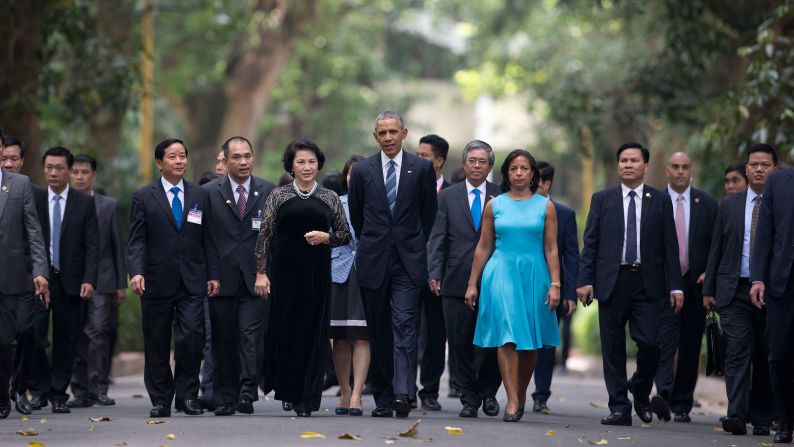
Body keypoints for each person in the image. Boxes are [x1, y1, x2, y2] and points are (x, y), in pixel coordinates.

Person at [577, 143, 683, 427]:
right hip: (612, 281)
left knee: (651, 343)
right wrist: (585, 280)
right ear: (618, 165)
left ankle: (639, 386)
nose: (628, 165)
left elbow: (669, 246)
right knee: (612, 348)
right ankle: (619, 409)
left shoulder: (659, 200)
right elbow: (591, 243)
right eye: (623, 160)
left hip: (648, 283)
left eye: (634, 160)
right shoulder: (603, 199)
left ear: (645, 166)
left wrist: (676, 286)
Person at [347, 111, 437, 418]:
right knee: (379, 330)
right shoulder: (361, 171)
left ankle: (402, 393)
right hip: (373, 260)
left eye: (393, 132)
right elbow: (358, 218)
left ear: (404, 133)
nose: (388, 137)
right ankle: (383, 398)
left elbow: (428, 214)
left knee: (404, 325)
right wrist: (375, 242)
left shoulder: (422, 168)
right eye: (382, 133)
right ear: (375, 136)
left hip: (408, 262)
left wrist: (411, 243)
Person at [254, 139, 349, 417]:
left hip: (316, 273)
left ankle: (307, 396)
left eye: (311, 162)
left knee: (313, 332)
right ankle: (288, 388)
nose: (307, 167)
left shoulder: (329, 197)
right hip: (284, 272)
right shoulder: (278, 196)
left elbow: (345, 235)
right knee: (286, 329)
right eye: (300, 162)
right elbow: (264, 236)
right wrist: (261, 272)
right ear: (291, 166)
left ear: (318, 164)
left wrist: (326, 237)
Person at [464, 149, 561, 422]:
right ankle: (512, 398)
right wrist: (472, 283)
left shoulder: (545, 206)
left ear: (532, 174)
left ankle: (519, 391)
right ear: (506, 173)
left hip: (534, 274)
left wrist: (555, 284)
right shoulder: (495, 205)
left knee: (529, 343)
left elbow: (552, 248)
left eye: (524, 168)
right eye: (513, 168)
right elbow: (483, 246)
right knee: (507, 333)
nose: (519, 173)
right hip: (501, 272)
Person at [127, 138, 220, 418]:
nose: (179, 161)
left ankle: (188, 396)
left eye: (182, 156)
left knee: (191, 338)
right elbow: (136, 240)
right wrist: (136, 271)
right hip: (156, 280)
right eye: (172, 157)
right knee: (156, 341)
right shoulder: (144, 196)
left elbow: (209, 238)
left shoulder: (199, 195)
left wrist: (213, 274)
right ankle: (160, 399)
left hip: (192, 279)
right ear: (159, 163)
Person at [704, 144, 777, 436]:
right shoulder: (728, 205)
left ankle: (761, 417)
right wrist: (709, 288)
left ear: (774, 170)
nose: (759, 169)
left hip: (773, 292)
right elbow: (716, 249)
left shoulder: (783, 203)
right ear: (746, 169)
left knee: (765, 353)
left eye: (765, 165)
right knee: (735, 352)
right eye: (754, 164)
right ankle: (735, 414)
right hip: (734, 289)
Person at [427, 139, 502, 418]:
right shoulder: (446, 196)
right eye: (472, 160)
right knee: (459, 343)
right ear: (464, 163)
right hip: (455, 279)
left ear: (490, 166)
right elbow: (438, 238)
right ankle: (468, 398)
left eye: (483, 161)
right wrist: (434, 272)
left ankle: (489, 393)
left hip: (494, 279)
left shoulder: (501, 195)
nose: (477, 166)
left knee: (491, 342)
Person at [203, 136, 275, 416]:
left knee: (250, 336)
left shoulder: (268, 190)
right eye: (237, 157)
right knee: (223, 338)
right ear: (225, 160)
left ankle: (247, 392)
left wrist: (264, 272)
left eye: (247, 156)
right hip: (220, 280)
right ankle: (224, 397)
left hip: (257, 279)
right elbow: (204, 238)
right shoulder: (208, 192)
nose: (243, 162)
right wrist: (210, 274)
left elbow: (271, 238)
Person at [29, 146, 99, 414]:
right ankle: (40, 389)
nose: (54, 173)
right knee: (33, 334)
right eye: (49, 167)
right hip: (40, 280)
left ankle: (58, 393)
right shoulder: (34, 199)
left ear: (69, 171)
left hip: (71, 282)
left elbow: (92, 245)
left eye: (59, 168)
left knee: (66, 339)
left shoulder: (84, 203)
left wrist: (89, 280)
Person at [651, 152, 718, 422]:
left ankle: (681, 404)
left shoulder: (708, 204)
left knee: (690, 345)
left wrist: (709, 274)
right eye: (675, 167)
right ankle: (663, 394)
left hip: (695, 284)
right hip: (663, 284)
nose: (680, 171)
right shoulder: (654, 201)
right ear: (667, 170)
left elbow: (716, 245)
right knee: (662, 342)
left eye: (685, 167)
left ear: (692, 170)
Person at [68, 155, 127, 408]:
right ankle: (79, 391)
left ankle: (98, 387)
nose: (79, 177)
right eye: (76, 172)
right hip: (70, 280)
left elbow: (118, 245)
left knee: (98, 332)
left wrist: (121, 283)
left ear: (94, 175)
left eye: (85, 172)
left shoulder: (108, 206)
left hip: (103, 280)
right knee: (75, 335)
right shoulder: (61, 203)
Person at [750, 151, 794, 444]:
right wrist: (758, 278)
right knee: (778, 355)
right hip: (782, 284)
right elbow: (764, 235)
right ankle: (785, 421)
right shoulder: (778, 182)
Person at [0, 164, 49, 419]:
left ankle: (9, 390)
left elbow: (34, 231)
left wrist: (40, 271)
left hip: (12, 276)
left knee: (9, 338)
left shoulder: (19, 184)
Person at [531, 160, 579, 414]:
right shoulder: (516, 206)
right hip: (523, 283)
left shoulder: (564, 214)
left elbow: (571, 255)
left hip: (553, 286)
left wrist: (569, 293)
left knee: (547, 343)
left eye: (536, 183)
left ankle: (541, 395)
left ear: (547, 184)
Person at [329, 155, 370, 417]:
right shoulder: (334, 204)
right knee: (340, 338)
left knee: (363, 336)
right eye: (350, 173)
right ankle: (344, 390)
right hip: (338, 273)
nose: (354, 178)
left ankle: (357, 394)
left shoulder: (378, 205)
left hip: (367, 275)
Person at [414, 133, 450, 410]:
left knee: (436, 334)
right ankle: (402, 387)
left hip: (439, 274)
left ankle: (429, 390)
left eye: (424, 156)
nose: (418, 160)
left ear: (439, 161)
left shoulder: (452, 194)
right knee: (405, 330)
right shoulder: (406, 187)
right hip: (407, 269)